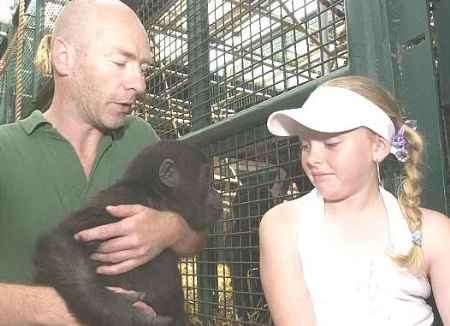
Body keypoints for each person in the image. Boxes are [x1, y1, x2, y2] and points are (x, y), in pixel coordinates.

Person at [0, 0, 207, 324]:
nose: (139, 84)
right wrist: (54, 309)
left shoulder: (145, 142)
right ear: (64, 57)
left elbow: (196, 239)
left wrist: (173, 230)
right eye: (120, 62)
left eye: (143, 68)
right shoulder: (6, 150)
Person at [260, 75, 450, 325]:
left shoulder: (431, 231)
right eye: (305, 145)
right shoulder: (283, 225)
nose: (312, 159)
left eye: (331, 143)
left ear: (379, 147)